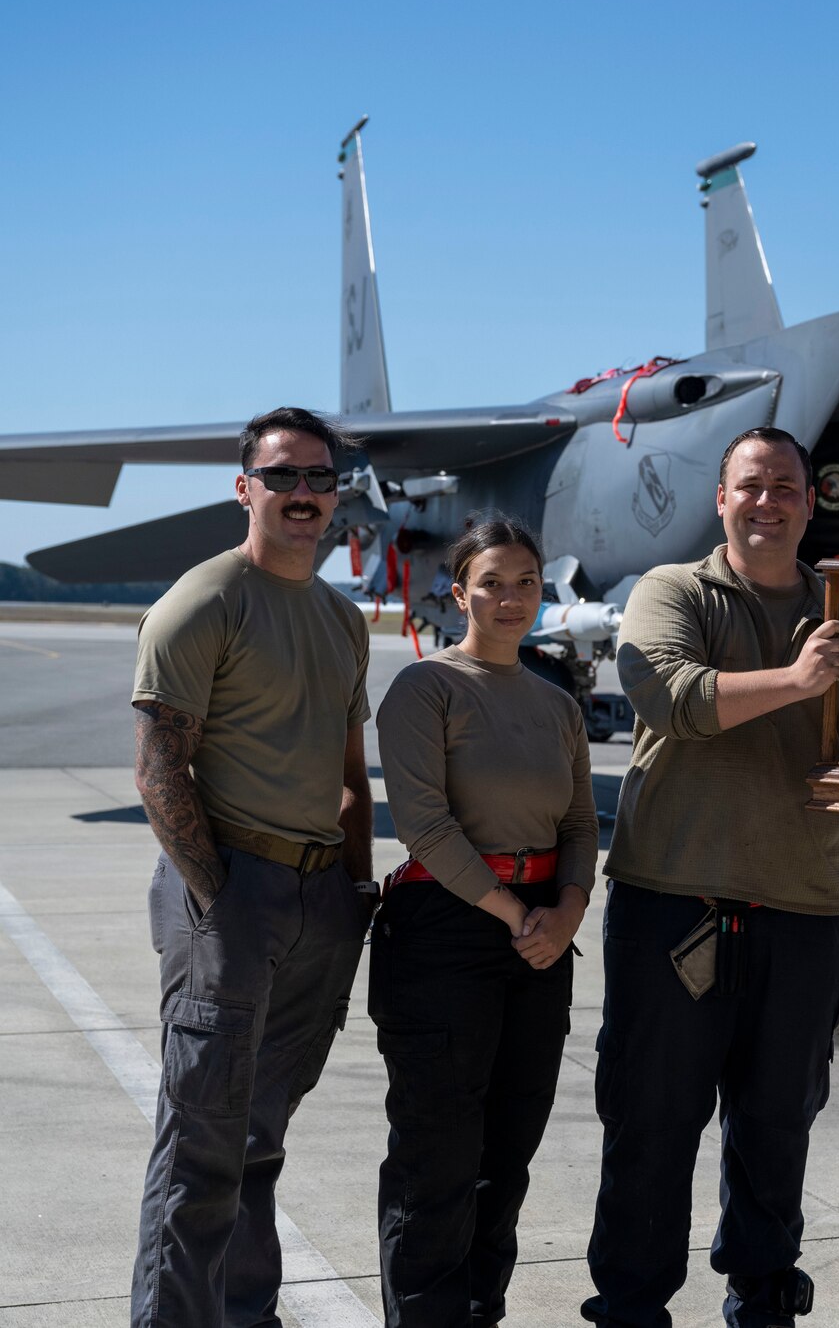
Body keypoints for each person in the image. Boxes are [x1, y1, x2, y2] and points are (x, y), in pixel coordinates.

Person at [583, 426, 839, 1328]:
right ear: (720, 500)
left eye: (785, 487)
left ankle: (764, 1297)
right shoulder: (675, 591)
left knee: (778, 1125)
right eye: (750, 485)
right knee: (653, 1123)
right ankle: (631, 1304)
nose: (766, 501)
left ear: (811, 503)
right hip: (676, 902)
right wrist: (799, 677)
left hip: (805, 908)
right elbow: (672, 698)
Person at [128, 406, 374, 1328]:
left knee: (259, 1140)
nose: (302, 493)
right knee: (200, 1149)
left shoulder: (341, 620)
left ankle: (245, 1313)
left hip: (317, 901)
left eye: (318, 477)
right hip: (230, 895)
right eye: (283, 477)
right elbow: (158, 770)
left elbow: (351, 776)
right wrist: (217, 898)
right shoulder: (204, 601)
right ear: (246, 488)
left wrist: (353, 890)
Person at [371, 514, 597, 1326]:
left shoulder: (556, 702)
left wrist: (566, 913)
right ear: (458, 591)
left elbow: (579, 827)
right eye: (492, 582)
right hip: (447, 927)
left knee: (507, 1157)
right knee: (438, 1155)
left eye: (526, 582)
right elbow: (424, 824)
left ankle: (479, 1310)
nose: (510, 598)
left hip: (541, 935)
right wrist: (517, 915)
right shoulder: (425, 688)